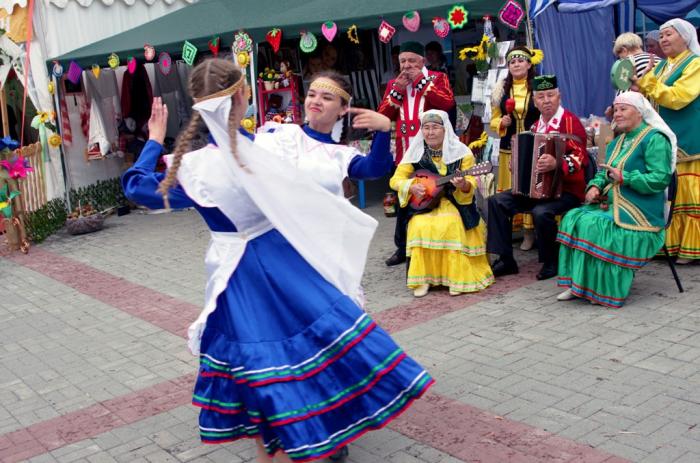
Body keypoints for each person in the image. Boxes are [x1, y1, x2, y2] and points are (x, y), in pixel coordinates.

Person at [121, 58, 433, 463]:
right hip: (289, 261)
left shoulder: (201, 167)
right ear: (244, 98)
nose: (318, 101)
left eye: (327, 96)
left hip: (237, 274)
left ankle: (295, 439)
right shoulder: (266, 150)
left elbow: (137, 188)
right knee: (306, 352)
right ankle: (313, 435)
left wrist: (154, 139)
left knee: (262, 366)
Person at [556, 92, 674, 307]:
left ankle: (603, 289)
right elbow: (604, 172)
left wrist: (625, 177)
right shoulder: (618, 141)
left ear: (639, 113)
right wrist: (594, 186)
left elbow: (660, 178)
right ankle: (579, 285)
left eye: (623, 109)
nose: (617, 114)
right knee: (573, 217)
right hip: (614, 203)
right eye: (616, 109)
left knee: (597, 225)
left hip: (641, 210)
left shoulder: (655, 138)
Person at [487, 75, 588, 281]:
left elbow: (581, 157)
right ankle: (506, 259)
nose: (546, 100)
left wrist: (557, 163)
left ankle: (551, 261)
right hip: (537, 190)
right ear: (535, 101)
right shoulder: (535, 126)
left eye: (550, 95)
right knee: (497, 202)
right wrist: (515, 164)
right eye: (541, 97)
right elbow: (527, 157)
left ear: (559, 96)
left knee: (541, 212)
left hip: (566, 190)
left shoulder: (570, 122)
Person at [389, 110, 494, 297]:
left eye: (435, 128)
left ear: (445, 129)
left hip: (455, 203)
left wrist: (463, 185)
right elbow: (395, 180)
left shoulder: (462, 153)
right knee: (419, 225)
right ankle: (423, 280)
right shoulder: (416, 152)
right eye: (426, 128)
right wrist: (411, 186)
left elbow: (470, 181)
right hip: (425, 204)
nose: (430, 133)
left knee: (451, 225)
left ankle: (456, 278)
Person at [378, 41, 455, 267]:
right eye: (403, 61)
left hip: (434, 152)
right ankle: (402, 248)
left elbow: (447, 103)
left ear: (422, 61)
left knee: (434, 196)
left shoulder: (437, 78)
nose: (406, 65)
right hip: (405, 152)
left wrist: (421, 81)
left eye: (412, 60)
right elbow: (383, 116)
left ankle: (436, 245)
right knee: (404, 200)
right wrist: (398, 91)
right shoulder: (394, 83)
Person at [636, 18, 700, 264]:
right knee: (668, 192)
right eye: (660, 36)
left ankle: (689, 247)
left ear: (685, 37)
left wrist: (649, 82)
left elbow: (678, 98)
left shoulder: (695, 63)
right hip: (664, 138)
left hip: (687, 138)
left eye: (668, 34)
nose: (662, 39)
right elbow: (651, 97)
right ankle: (668, 245)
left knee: (687, 192)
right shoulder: (663, 66)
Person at [489, 45, 542, 251]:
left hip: (532, 147)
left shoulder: (537, 87)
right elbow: (493, 120)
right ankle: (511, 231)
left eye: (521, 61)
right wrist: (501, 122)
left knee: (530, 188)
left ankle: (530, 232)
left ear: (529, 64)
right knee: (511, 190)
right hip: (508, 148)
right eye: (512, 62)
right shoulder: (500, 89)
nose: (517, 64)